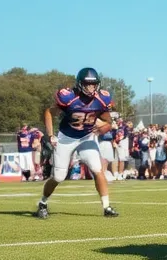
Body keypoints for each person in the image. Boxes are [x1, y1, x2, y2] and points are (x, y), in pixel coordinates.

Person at [36, 68, 118, 219]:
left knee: (97, 169)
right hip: (66, 137)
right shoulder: (69, 97)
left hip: (87, 137)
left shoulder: (101, 99)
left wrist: (102, 128)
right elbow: (49, 112)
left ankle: (106, 206)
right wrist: (50, 135)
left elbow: (108, 121)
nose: (91, 87)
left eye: (93, 84)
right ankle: (43, 202)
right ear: (80, 84)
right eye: (87, 84)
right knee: (59, 177)